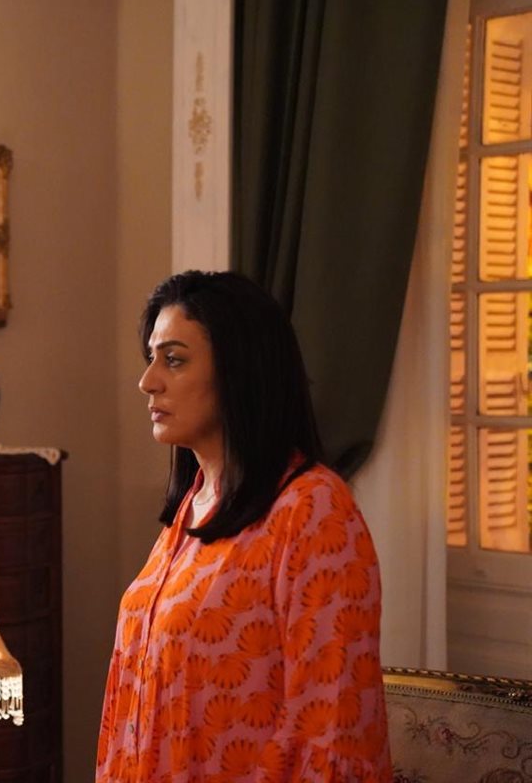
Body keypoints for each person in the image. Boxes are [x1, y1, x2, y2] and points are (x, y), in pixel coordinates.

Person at [95, 271, 391, 782]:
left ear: (239, 370)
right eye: (151, 358)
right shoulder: (191, 509)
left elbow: (331, 727)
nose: (148, 381)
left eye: (174, 360)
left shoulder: (313, 510)